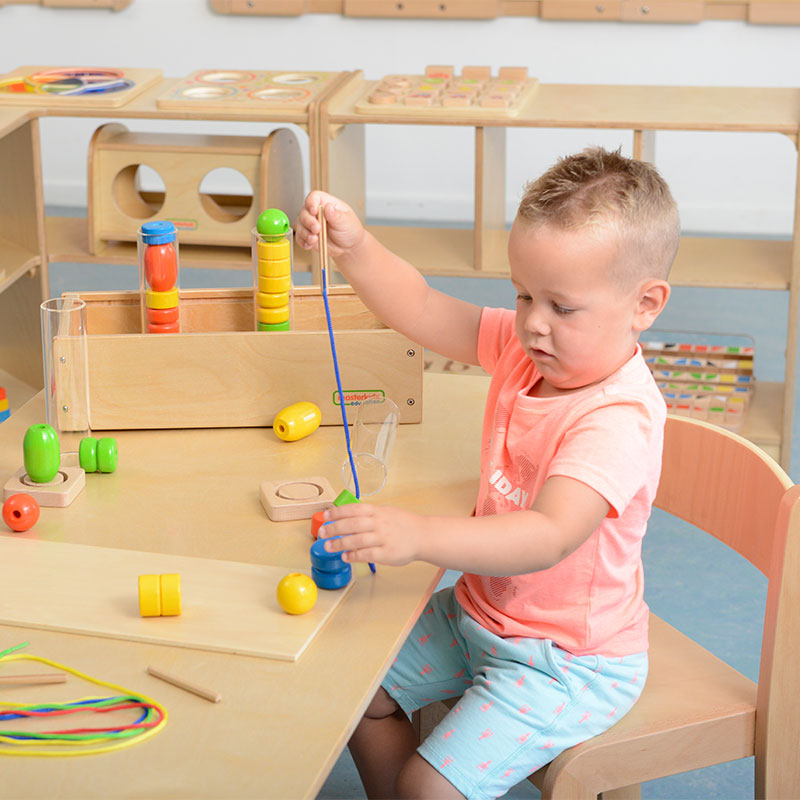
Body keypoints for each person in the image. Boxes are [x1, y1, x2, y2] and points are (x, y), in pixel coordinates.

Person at [295, 146, 680, 800]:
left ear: (645, 304)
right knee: (351, 691)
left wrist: (418, 536)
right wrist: (356, 248)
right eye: (523, 294)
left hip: (568, 663)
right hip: (479, 614)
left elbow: (548, 535)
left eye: (562, 306)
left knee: (428, 785)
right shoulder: (526, 350)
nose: (532, 323)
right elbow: (417, 306)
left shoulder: (617, 417)